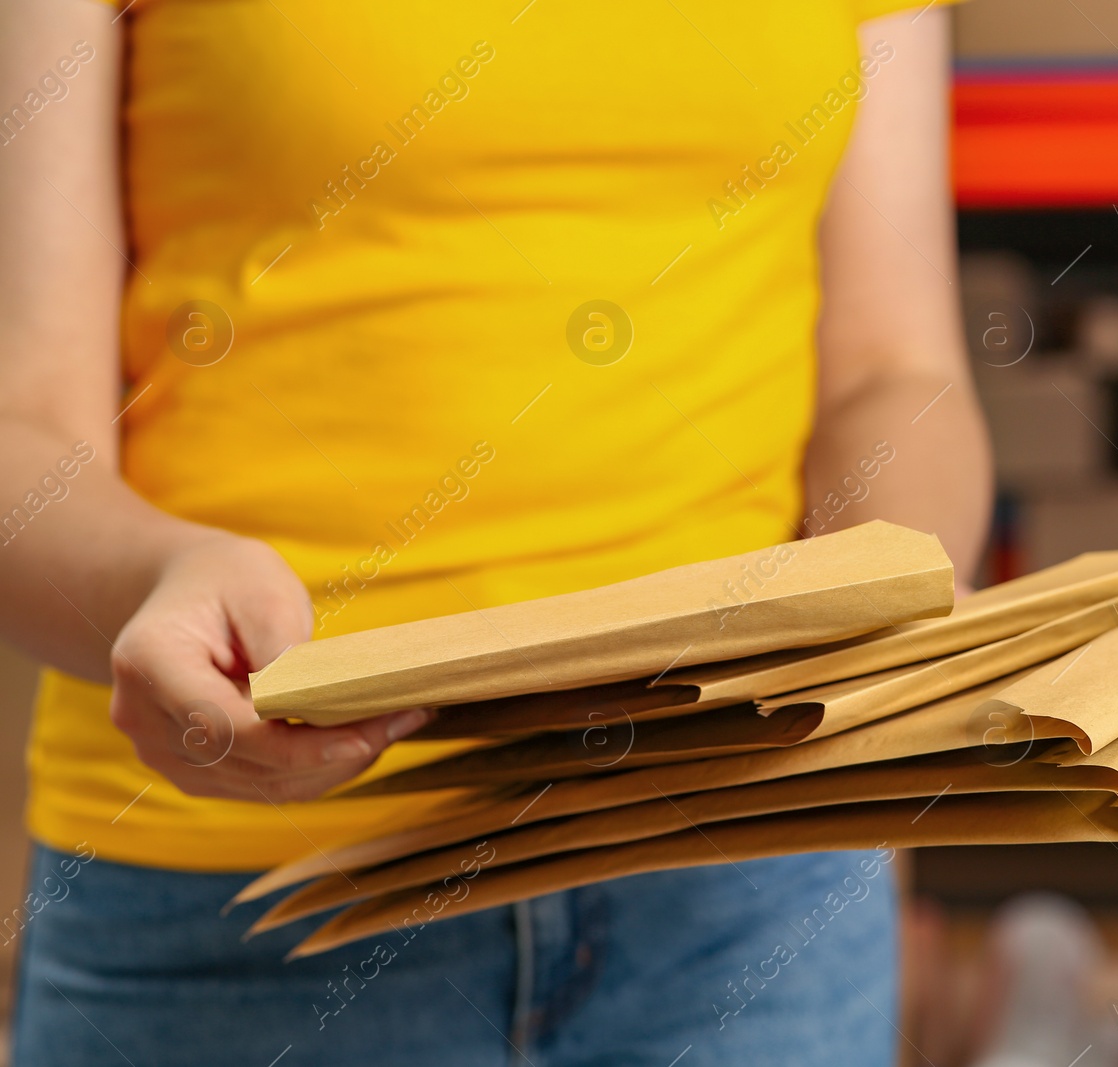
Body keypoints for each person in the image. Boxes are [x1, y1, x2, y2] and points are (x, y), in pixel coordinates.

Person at [0, 0, 990, 1063]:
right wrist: (159, 577)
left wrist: (889, 584)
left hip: (743, 877)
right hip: (238, 911)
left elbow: (893, 369)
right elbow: (26, 427)